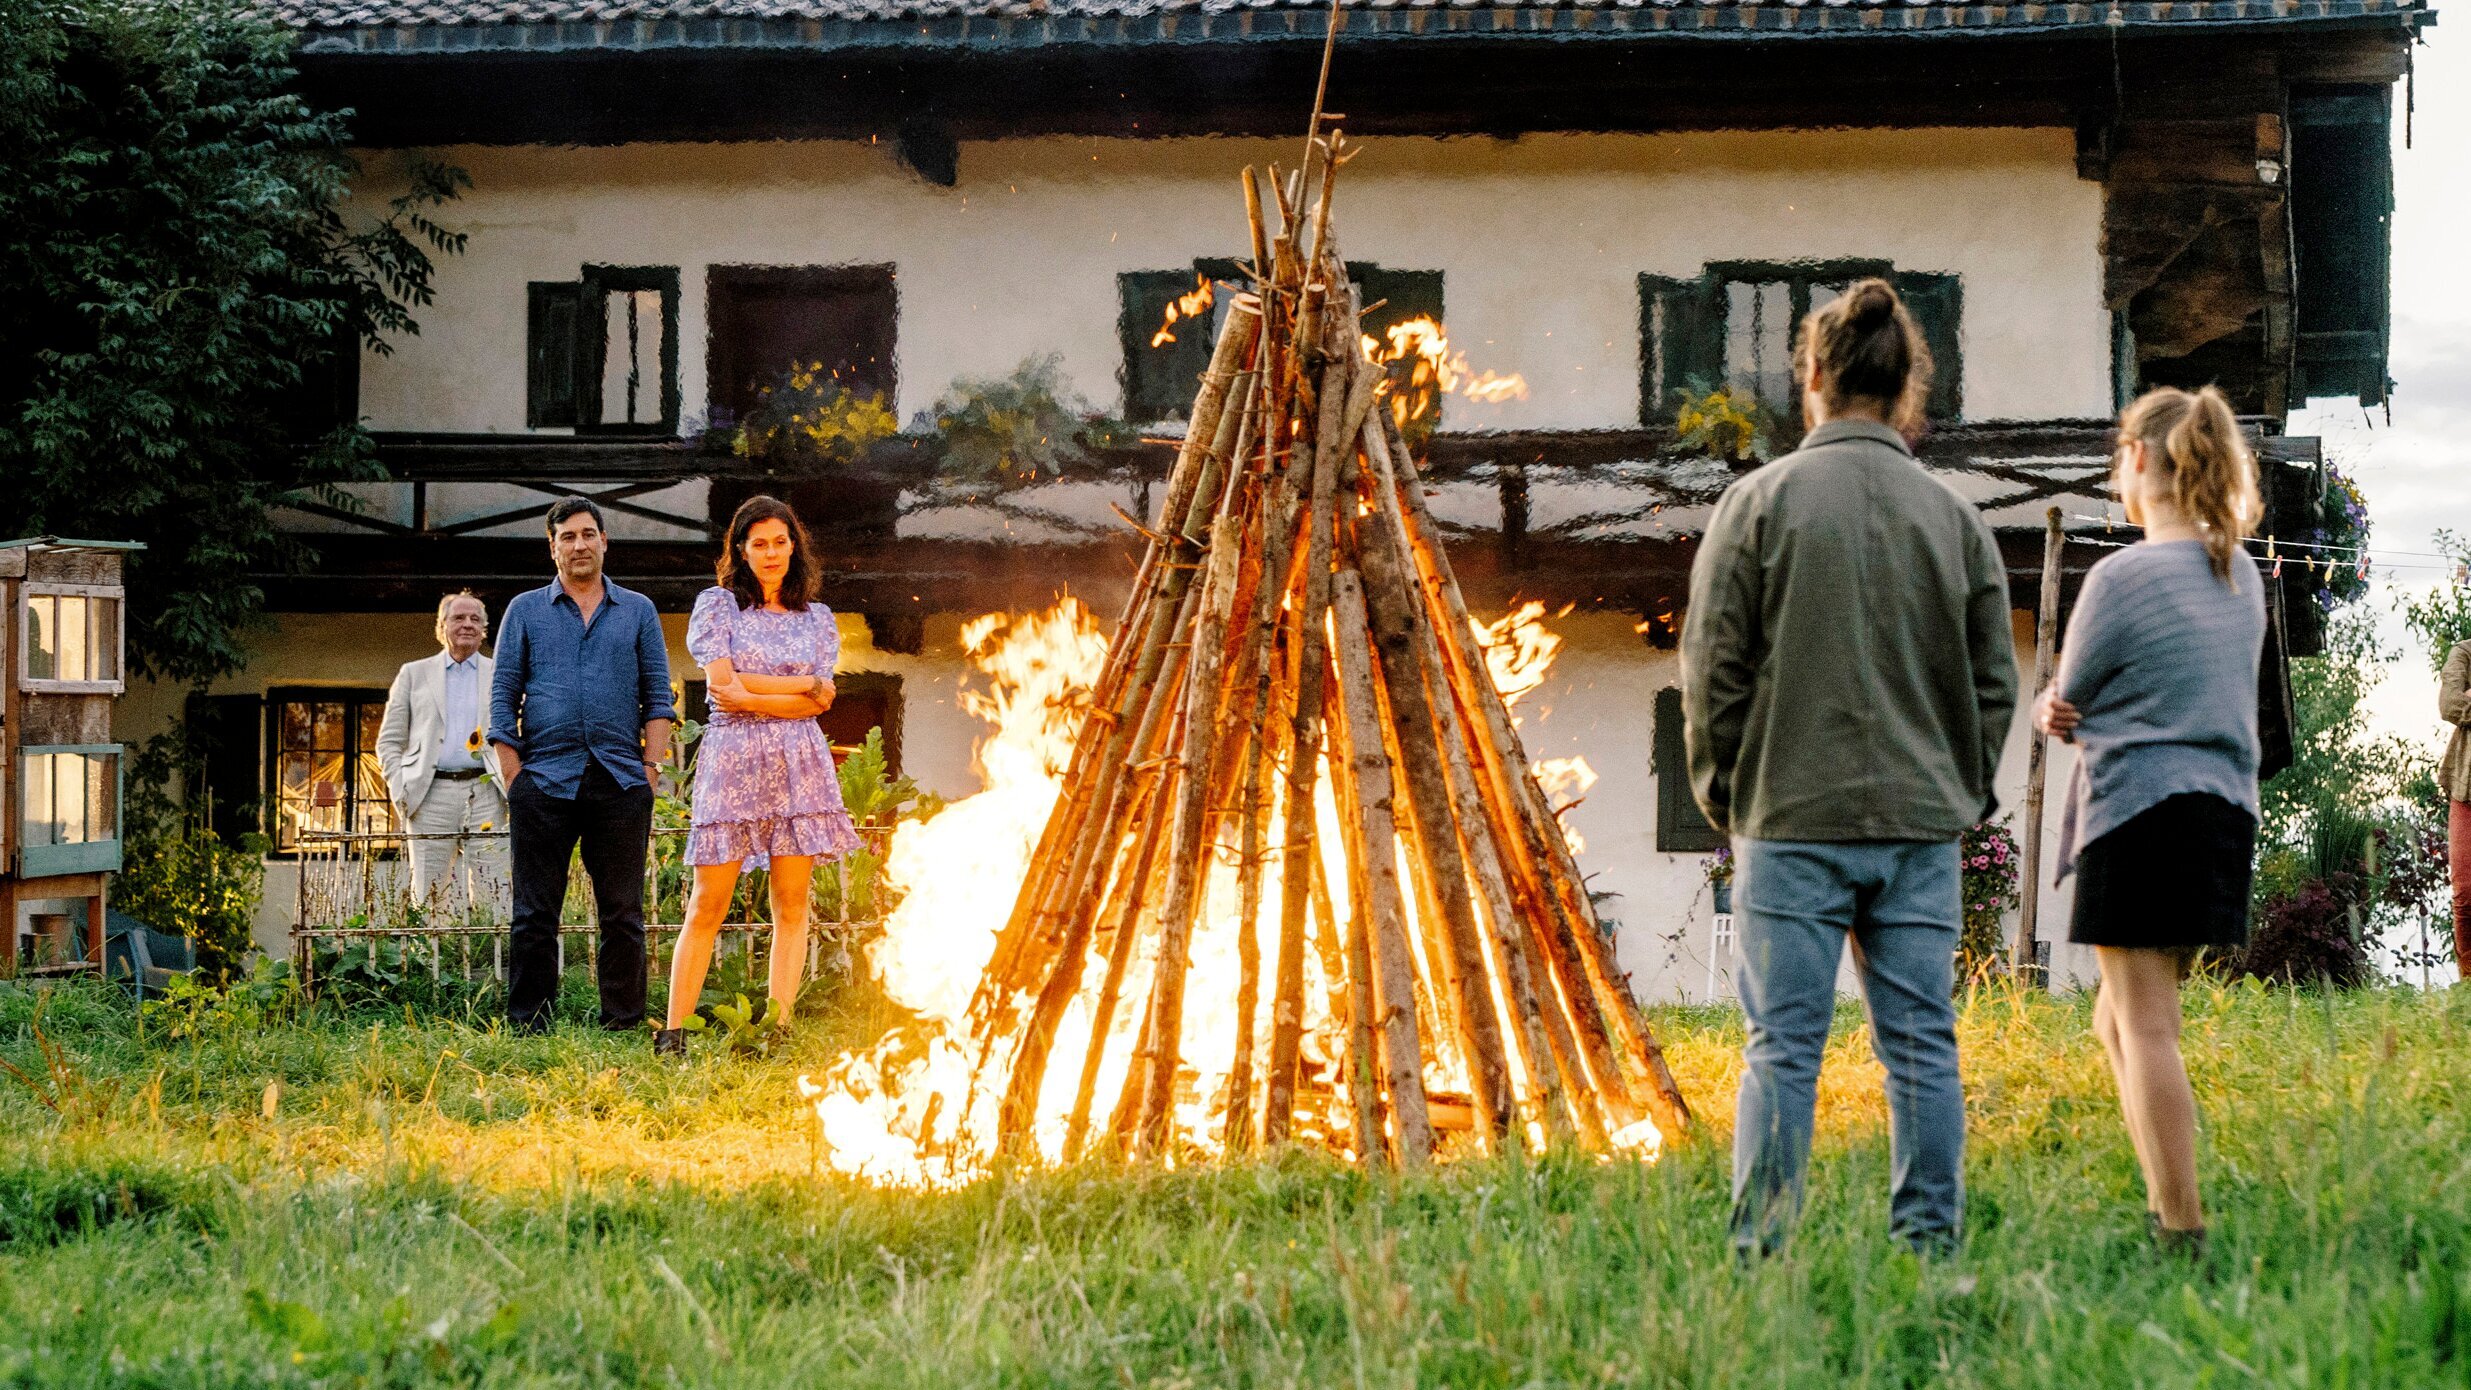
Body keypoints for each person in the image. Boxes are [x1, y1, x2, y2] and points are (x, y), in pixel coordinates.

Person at [1681, 279, 2017, 1258]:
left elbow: (1710, 669)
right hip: (1917, 824)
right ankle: (1928, 1252)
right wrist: (1957, 792)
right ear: (1908, 383)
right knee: (1920, 1045)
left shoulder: (1754, 504)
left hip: (1787, 817)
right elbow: (1992, 683)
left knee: (1780, 1049)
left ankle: (1761, 1254)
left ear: (1811, 376)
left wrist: (1725, 793)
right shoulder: (1953, 521)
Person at [2035, 385, 2267, 1257]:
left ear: (2136, 461)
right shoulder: (2237, 572)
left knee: (2145, 1026)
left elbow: (2069, 700)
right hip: (2218, 820)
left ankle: (2180, 1224)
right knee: (2116, 1019)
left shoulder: (2118, 577)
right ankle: (2159, 1194)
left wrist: (2045, 711)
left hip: (2134, 814)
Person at [654, 496, 862, 1055]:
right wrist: (800, 688)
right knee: (708, 901)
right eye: (759, 543)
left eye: (780, 541)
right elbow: (724, 688)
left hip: (800, 762)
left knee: (792, 901)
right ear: (741, 551)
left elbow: (824, 699)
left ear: (794, 546)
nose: (771, 553)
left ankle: (777, 1028)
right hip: (733, 760)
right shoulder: (719, 606)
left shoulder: (817, 619)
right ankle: (673, 1033)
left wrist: (761, 690)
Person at [487, 498, 676, 1035]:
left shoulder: (637, 610)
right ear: (552, 547)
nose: (579, 545)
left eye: (588, 534)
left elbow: (657, 696)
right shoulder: (524, 610)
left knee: (622, 913)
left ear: (604, 541)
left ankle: (623, 1021)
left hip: (620, 780)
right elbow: (503, 697)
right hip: (544, 779)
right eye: (567, 537)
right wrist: (513, 775)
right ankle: (530, 1023)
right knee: (534, 915)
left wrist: (651, 769)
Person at [376, 591, 508, 912]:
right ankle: (432, 962)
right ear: (441, 626)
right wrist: (402, 790)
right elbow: (389, 742)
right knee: (430, 897)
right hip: (430, 795)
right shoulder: (413, 673)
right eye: (458, 618)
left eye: (475, 619)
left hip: (487, 793)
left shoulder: (500, 673)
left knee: (496, 894)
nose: (467, 625)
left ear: (484, 629)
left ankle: (491, 962)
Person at [2440, 637, 2471, 981]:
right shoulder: (2464, 653)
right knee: (2465, 892)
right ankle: (2468, 983)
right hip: (2467, 789)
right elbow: (2449, 704)